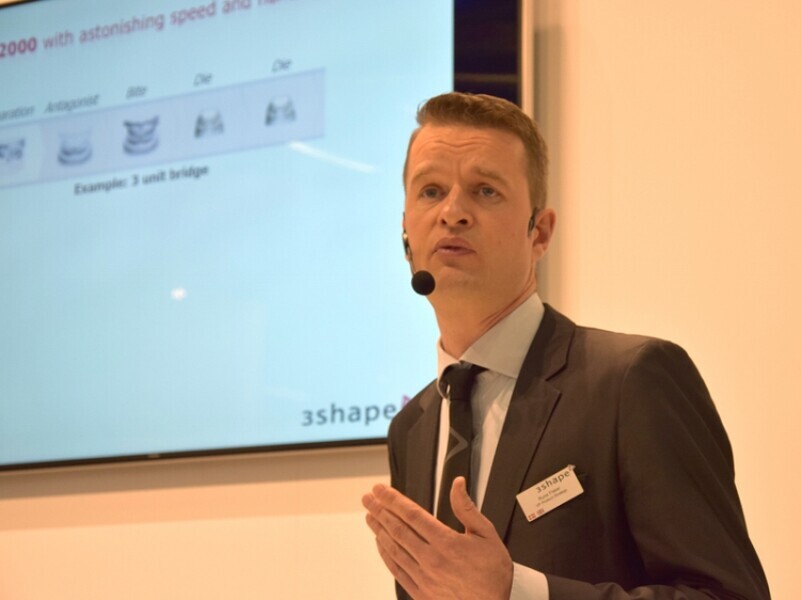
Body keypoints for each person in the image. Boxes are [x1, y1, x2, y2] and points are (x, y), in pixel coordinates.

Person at [362, 92, 770, 600]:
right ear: (405, 230)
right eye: (430, 191)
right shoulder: (413, 428)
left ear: (540, 232)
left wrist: (517, 591)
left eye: (486, 191)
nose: (453, 212)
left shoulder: (631, 381)